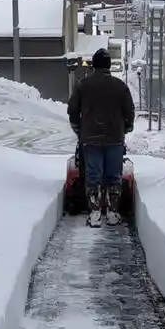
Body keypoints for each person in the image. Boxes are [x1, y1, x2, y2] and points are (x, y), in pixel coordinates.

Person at [67, 48, 135, 227]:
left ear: (93, 65)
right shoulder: (120, 87)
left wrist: (80, 130)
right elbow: (129, 112)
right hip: (115, 138)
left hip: (90, 139)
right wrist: (126, 128)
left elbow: (72, 111)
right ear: (109, 66)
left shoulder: (83, 85)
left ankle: (95, 213)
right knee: (114, 176)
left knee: (93, 175)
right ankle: (112, 213)